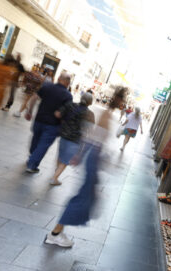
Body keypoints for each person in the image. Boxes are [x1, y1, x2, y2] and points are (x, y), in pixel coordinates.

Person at [46, 86, 129, 247]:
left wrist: (82, 155)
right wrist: (85, 155)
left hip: (93, 156)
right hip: (93, 157)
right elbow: (93, 138)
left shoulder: (106, 113)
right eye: (123, 100)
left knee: (85, 196)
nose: (124, 104)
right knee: (83, 197)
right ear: (119, 100)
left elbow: (91, 137)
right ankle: (55, 233)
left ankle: (57, 231)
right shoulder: (106, 115)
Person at [24, 72, 72, 173]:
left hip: (39, 119)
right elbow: (65, 112)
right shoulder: (68, 96)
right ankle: (32, 164)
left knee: (35, 140)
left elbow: (34, 97)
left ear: (58, 78)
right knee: (43, 145)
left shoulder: (47, 86)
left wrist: (29, 111)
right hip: (53, 125)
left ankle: (31, 158)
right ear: (68, 83)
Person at [49, 92, 95, 185]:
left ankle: (56, 173)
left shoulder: (70, 105)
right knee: (65, 160)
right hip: (75, 140)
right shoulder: (89, 114)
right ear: (90, 103)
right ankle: (54, 178)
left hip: (64, 135)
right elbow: (90, 129)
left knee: (61, 156)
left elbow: (58, 114)